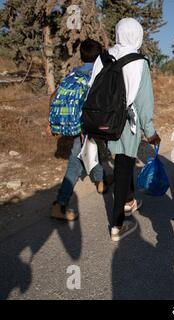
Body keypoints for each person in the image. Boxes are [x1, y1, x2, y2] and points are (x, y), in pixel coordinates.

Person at [89, 18, 160, 242]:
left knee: (122, 160)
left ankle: (129, 201)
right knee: (123, 165)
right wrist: (150, 132)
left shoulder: (102, 57)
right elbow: (144, 103)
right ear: (138, 35)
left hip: (104, 119)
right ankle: (117, 224)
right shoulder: (140, 62)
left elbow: (92, 89)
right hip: (127, 124)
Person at [49, 39, 106, 221]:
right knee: (76, 161)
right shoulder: (96, 75)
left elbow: (54, 96)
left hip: (73, 123)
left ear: (81, 56)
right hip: (85, 124)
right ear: (100, 57)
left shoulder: (72, 74)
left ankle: (101, 180)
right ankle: (60, 204)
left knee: (90, 149)